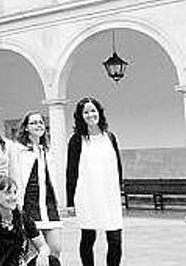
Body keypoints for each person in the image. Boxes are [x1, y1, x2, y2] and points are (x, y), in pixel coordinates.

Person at [66, 97, 123, 266]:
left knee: (115, 239)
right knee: (88, 237)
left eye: (93, 110)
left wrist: (118, 190)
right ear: (80, 116)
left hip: (109, 195)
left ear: (99, 112)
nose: (91, 115)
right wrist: (70, 201)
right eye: (86, 112)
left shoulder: (110, 137)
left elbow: (118, 167)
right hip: (87, 195)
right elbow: (71, 172)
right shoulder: (77, 140)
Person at [0, 175, 59, 266]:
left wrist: (43, 255)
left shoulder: (22, 217)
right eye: (8, 193)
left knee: (52, 261)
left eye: (14, 192)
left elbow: (42, 246)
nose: (13, 197)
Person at [12, 111, 61, 258]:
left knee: (55, 249)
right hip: (29, 206)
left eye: (40, 122)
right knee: (33, 253)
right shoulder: (18, 150)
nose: (38, 125)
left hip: (49, 206)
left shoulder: (48, 151)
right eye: (33, 123)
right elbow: (15, 177)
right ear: (26, 128)